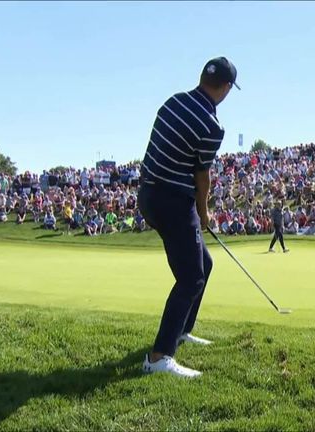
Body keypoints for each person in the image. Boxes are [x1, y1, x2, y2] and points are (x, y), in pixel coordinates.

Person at [138, 57, 237, 378]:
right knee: (191, 277)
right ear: (225, 88)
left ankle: (181, 331)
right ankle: (159, 357)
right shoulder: (212, 124)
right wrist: (203, 213)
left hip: (149, 195)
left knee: (204, 265)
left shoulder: (173, 102)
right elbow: (202, 176)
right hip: (174, 202)